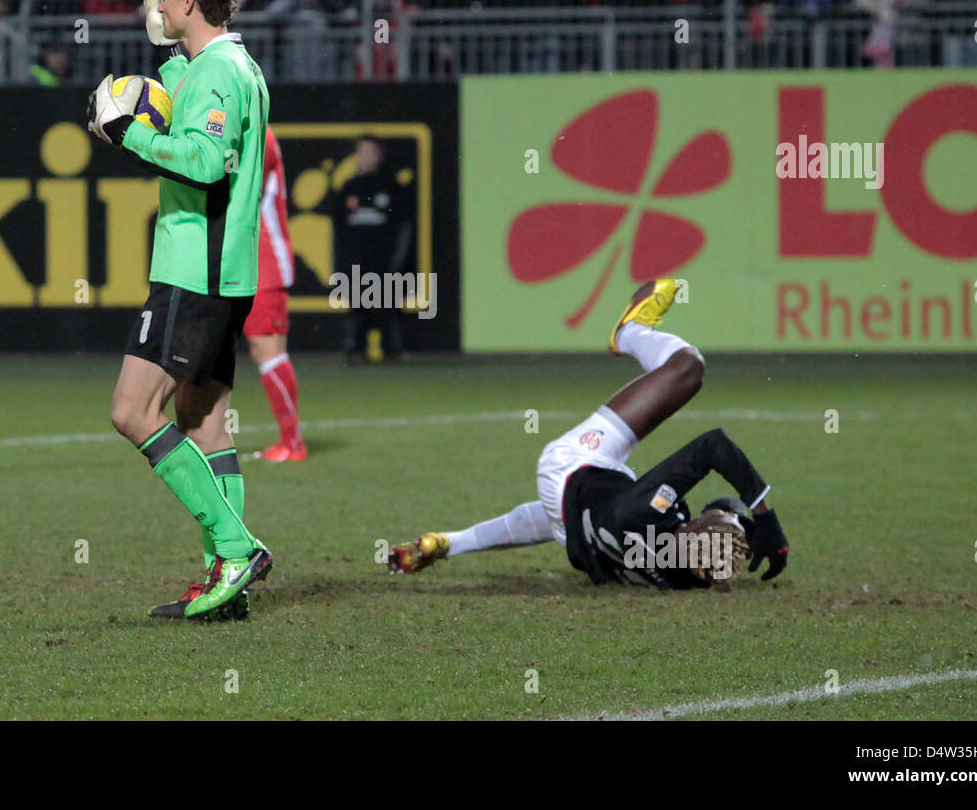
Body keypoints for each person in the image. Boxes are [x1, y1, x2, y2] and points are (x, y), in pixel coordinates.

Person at [87, 0, 273, 622]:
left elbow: (201, 160)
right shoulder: (228, 65)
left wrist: (127, 131)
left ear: (189, 0)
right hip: (223, 271)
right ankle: (229, 584)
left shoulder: (220, 71)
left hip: (194, 269)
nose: (157, 5)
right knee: (206, 423)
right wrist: (172, 78)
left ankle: (234, 547)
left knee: (132, 411)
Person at [389, 279, 790, 589]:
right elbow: (547, 523)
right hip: (578, 523)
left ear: (701, 527)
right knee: (568, 517)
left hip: (574, 463)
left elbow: (713, 446)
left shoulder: (650, 515)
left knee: (688, 369)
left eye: (725, 530)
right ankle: (446, 542)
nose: (725, 536)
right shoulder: (676, 574)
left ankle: (631, 331)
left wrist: (763, 515)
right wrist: (449, 543)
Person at [246, 127, 308, 462]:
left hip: (264, 257)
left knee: (267, 348)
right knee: (259, 350)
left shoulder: (260, 134)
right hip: (240, 259)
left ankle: (292, 442)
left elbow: (238, 186)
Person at [334, 135, 413, 361]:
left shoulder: (392, 186)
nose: (367, 157)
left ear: (379, 155)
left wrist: (397, 259)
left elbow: (403, 225)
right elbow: (338, 227)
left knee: (387, 305)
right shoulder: (348, 188)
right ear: (356, 156)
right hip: (355, 258)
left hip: (383, 258)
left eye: (371, 151)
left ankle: (392, 350)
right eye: (362, 151)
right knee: (357, 307)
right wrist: (341, 258)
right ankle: (355, 349)